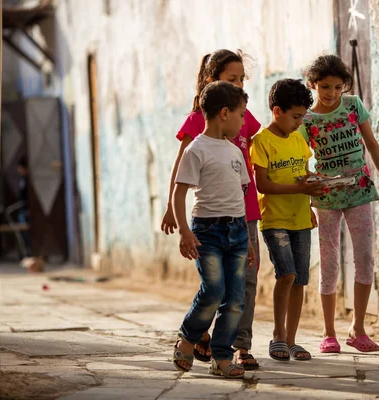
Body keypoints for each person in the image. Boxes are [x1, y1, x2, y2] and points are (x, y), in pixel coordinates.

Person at [161, 49, 262, 370]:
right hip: (207, 228)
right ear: (223, 113)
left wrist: (246, 238)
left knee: (237, 297)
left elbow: (243, 189)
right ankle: (190, 338)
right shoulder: (197, 146)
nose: (244, 121)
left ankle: (224, 355)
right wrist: (182, 230)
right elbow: (180, 186)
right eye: (240, 115)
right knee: (214, 290)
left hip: (238, 226)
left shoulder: (234, 147)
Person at [297, 55, 379, 354]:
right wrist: (306, 196)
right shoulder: (307, 120)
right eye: (325, 87)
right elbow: (301, 162)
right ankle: (328, 332)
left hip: (360, 193)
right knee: (330, 262)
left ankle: (358, 328)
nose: (332, 93)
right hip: (326, 197)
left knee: (364, 257)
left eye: (338, 87)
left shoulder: (353, 105)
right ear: (313, 85)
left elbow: (372, 144)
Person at [250, 78, 324, 362]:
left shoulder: (299, 139)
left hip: (300, 219)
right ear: (277, 111)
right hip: (274, 220)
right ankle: (277, 335)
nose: (299, 123)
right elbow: (263, 185)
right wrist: (300, 188)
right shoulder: (261, 142)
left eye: (303, 117)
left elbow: (303, 174)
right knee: (287, 274)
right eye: (295, 117)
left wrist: (313, 190)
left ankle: (292, 340)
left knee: (299, 280)